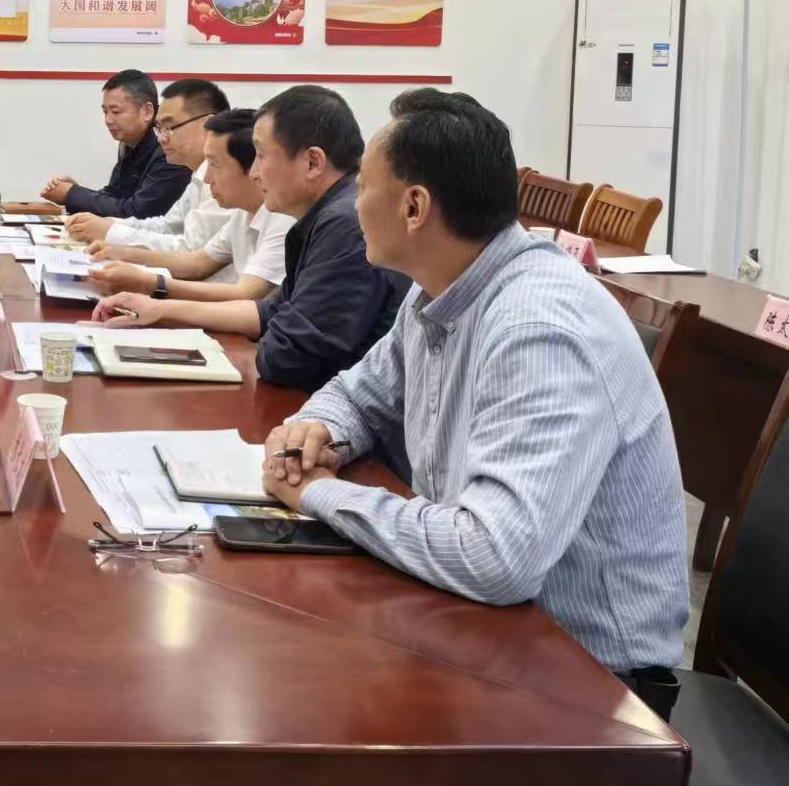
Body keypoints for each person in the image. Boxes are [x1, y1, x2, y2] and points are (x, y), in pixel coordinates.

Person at [261, 90, 688, 718]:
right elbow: (359, 391)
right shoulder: (441, 286)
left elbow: (495, 557)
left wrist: (320, 494)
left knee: (308, 704)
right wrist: (318, 428)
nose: (352, 205)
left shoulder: (538, 330)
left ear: (414, 207)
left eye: (364, 188)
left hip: (587, 686)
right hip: (487, 627)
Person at [93, 85, 409, 390]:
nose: (255, 172)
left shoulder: (343, 223)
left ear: (313, 162)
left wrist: (158, 291)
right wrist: (158, 309)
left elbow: (288, 356)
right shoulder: (321, 215)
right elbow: (269, 311)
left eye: (261, 155)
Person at [86, 109, 293, 302]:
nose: (208, 178)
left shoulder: (284, 218)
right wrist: (122, 253)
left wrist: (150, 284)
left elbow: (245, 294)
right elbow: (196, 263)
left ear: (255, 167)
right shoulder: (243, 212)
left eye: (215, 165)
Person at [65, 79, 230, 247]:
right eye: (159, 128)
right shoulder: (198, 175)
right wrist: (106, 224)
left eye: (170, 127)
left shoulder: (225, 179)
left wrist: (109, 232)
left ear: (208, 125)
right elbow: (166, 227)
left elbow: (191, 250)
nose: (161, 138)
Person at [41, 69, 191, 219]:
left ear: (147, 111)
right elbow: (115, 194)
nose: (107, 120)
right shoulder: (130, 142)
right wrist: (76, 192)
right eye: (105, 112)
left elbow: (138, 212)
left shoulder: (170, 149)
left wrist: (72, 194)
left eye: (116, 112)